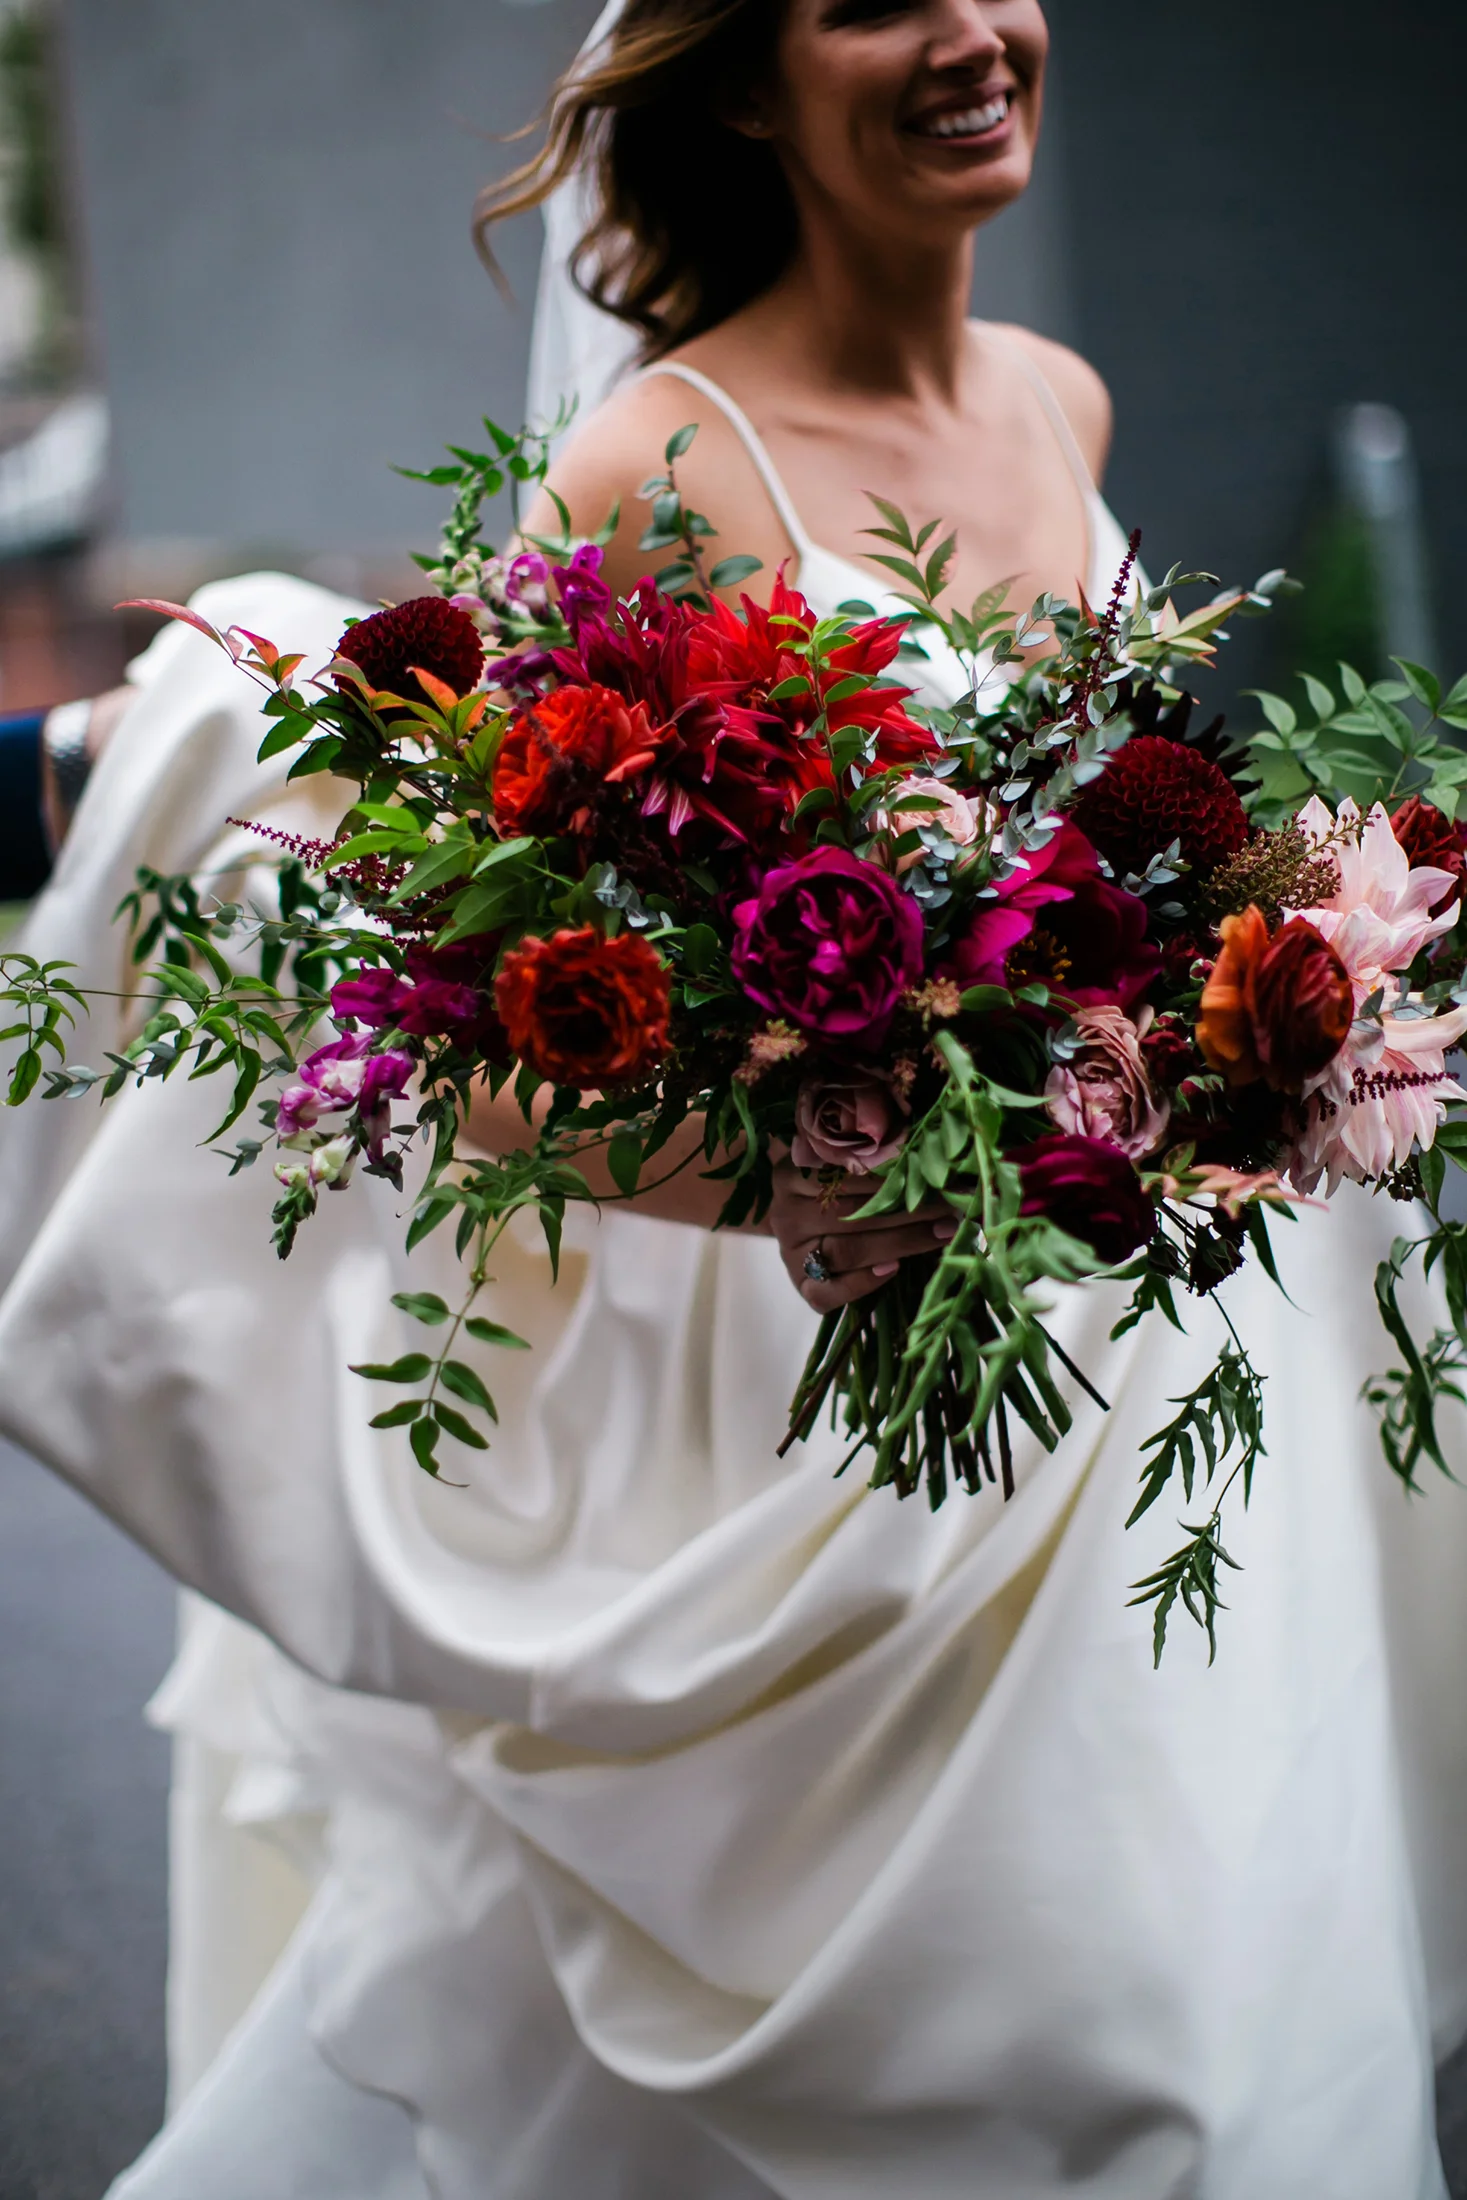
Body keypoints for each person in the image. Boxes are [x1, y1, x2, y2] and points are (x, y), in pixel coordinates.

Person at [1, 4, 1465, 2197]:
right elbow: (458, 1029)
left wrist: (1286, 988)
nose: (970, 30)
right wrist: (808, 1171)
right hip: (843, 1400)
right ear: (745, 85)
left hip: (1127, 1364)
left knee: (1206, 1950)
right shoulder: (654, 474)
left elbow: (1107, 866)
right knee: (1043, 2028)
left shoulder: (1064, 398)